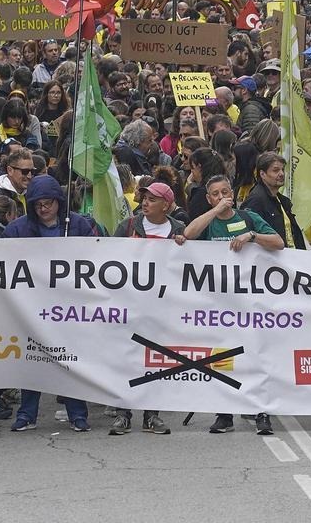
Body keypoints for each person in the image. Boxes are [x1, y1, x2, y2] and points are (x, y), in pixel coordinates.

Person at [183, 174, 282, 435]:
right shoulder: (209, 222)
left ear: (233, 194)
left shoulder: (248, 218)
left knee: (255, 358)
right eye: (215, 194)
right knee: (222, 360)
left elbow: (278, 242)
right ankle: (224, 414)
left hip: (250, 306)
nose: (221, 197)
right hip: (219, 308)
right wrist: (215, 211)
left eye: (225, 192)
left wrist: (252, 236)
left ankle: (262, 413)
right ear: (209, 198)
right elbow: (189, 234)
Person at [5, 175, 99, 433]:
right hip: (31, 308)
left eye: (49, 203)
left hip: (69, 308)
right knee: (32, 361)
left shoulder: (79, 225)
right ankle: (26, 415)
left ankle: (78, 414)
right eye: (38, 205)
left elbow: (100, 255)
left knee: (69, 361)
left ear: (59, 202)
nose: (44, 209)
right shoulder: (17, 230)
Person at [108, 182, 185, 436]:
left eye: (153, 199)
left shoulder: (177, 229)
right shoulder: (129, 226)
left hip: (162, 307)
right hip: (131, 304)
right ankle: (122, 414)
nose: (145, 203)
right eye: (144, 198)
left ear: (166, 204)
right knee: (126, 359)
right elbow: (109, 257)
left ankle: (152, 415)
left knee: (156, 360)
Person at [242, 152, 306, 249]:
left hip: (290, 257)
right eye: (276, 170)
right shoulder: (256, 200)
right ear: (262, 174)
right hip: (270, 259)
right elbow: (247, 233)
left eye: (282, 170)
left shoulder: (281, 199)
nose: (281, 174)